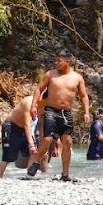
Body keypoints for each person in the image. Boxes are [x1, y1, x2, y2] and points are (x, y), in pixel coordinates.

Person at [28, 50, 90, 181]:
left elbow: (84, 96)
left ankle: (65, 173)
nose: (57, 63)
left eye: (60, 61)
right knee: (48, 139)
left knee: (67, 142)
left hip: (66, 113)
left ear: (68, 62)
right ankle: (37, 161)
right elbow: (39, 89)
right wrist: (33, 105)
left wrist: (86, 112)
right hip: (51, 110)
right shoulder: (51, 74)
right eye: (56, 60)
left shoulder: (77, 78)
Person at [0, 93, 41, 177]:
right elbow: (26, 124)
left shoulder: (45, 105)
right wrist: (31, 144)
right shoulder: (29, 103)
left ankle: (29, 176)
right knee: (7, 158)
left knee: (33, 153)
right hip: (11, 127)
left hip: (24, 129)